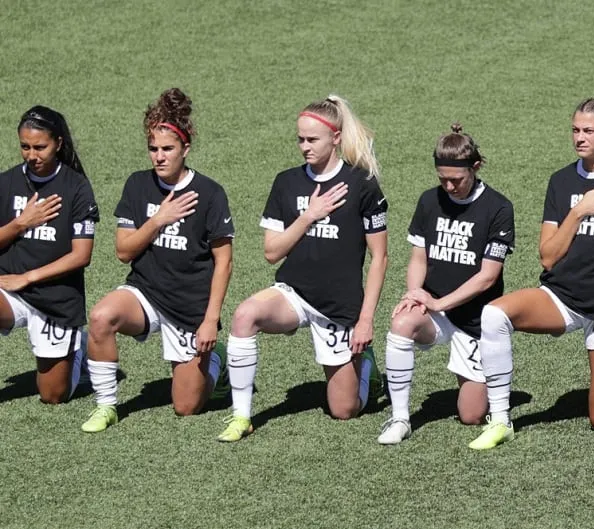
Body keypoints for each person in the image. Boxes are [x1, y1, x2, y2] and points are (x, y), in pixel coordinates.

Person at [468, 89, 594, 450]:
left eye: (588, 131)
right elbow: (548, 256)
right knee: (494, 315)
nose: (579, 138)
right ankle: (500, 421)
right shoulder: (561, 182)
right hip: (562, 296)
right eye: (575, 130)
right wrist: (579, 211)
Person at [218, 95, 387, 442]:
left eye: (312, 140)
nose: (304, 147)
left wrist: (366, 319)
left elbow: (380, 257)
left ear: (336, 138)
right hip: (293, 294)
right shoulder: (287, 182)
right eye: (300, 139)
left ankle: (365, 365)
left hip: (339, 307)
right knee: (244, 315)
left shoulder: (362, 185)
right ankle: (240, 415)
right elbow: (271, 252)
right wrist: (309, 215)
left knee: (344, 410)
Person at [81, 88, 234, 432]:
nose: (159, 157)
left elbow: (223, 262)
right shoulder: (137, 185)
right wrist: (158, 220)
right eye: (153, 149)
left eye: (168, 149)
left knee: (186, 407)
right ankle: (106, 406)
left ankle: (215, 365)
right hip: (146, 293)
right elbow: (123, 252)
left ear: (185, 150)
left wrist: (211, 320)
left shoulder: (210, 193)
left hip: (189, 307)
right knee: (102, 316)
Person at [378, 123, 515, 445]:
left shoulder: (498, 207)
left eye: (457, 179)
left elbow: (488, 276)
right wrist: (415, 294)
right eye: (443, 179)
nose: (450, 187)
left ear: (476, 167)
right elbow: (418, 258)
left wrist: (440, 303)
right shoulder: (429, 201)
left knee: (471, 416)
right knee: (402, 323)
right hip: (434, 311)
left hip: (473, 321)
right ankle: (400, 418)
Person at [0, 106, 98, 403]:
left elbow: (81, 256)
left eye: (40, 147)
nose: (32, 155)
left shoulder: (77, 188)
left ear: (58, 143)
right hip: (8, 290)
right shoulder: (6, 183)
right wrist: (21, 223)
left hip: (55, 299)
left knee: (53, 396)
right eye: (25, 147)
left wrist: (27, 277)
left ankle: (77, 351)